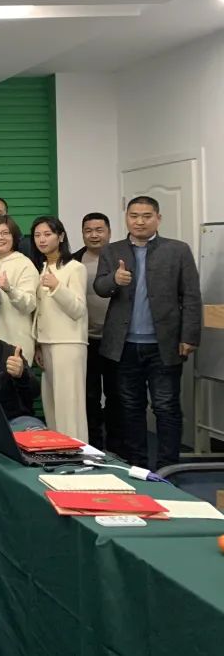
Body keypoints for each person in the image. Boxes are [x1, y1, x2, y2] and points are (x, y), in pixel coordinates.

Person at [93, 196, 202, 469]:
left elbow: (191, 296)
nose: (139, 221)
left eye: (146, 216)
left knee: (166, 406)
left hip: (164, 345)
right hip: (123, 346)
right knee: (130, 407)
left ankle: (169, 467)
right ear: (126, 218)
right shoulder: (112, 250)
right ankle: (137, 466)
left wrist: (189, 336)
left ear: (158, 218)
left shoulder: (177, 250)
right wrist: (114, 280)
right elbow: (100, 288)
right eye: (134, 216)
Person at [30, 216, 88, 441]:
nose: (42, 240)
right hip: (46, 342)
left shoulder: (75, 268)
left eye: (47, 234)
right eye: (37, 235)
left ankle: (77, 450)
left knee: (69, 406)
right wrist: (37, 342)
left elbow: (78, 309)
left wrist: (57, 287)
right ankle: (58, 449)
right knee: (52, 404)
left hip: (69, 342)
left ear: (61, 236)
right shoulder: (43, 267)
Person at [73, 212, 122, 454]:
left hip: (116, 340)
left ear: (109, 232)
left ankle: (116, 447)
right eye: (88, 230)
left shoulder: (121, 258)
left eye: (99, 230)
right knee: (89, 396)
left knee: (116, 395)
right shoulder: (73, 261)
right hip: (85, 340)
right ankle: (94, 446)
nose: (94, 235)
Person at [0, 215, 39, 363]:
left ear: (14, 237)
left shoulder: (24, 264)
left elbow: (29, 305)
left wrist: (9, 289)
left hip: (16, 341)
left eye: (5, 233)